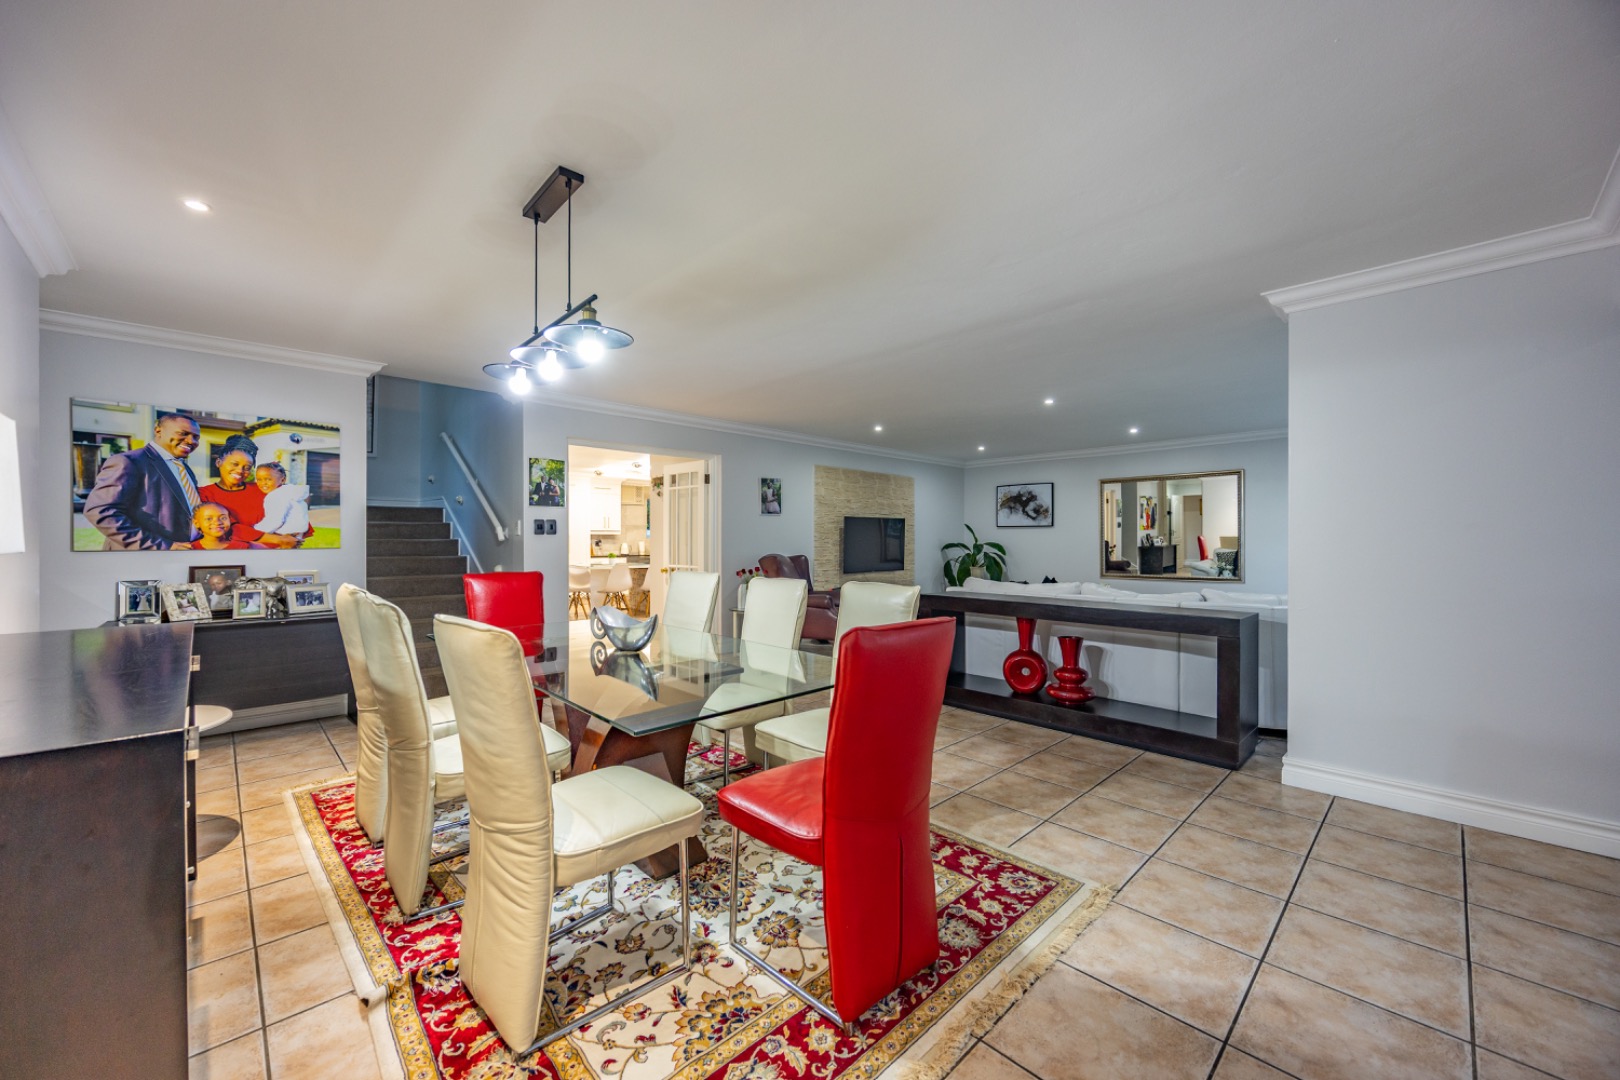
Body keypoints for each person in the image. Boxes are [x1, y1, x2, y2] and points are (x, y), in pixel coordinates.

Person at [82, 412, 204, 550]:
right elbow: (100, 510)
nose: (191, 441)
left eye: (196, 437)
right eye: (183, 433)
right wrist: (162, 546)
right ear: (158, 431)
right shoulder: (129, 461)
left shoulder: (185, 468)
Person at [197, 436, 311, 549]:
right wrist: (278, 540)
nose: (240, 471)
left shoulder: (263, 489)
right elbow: (229, 529)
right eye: (235, 464)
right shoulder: (205, 493)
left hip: (276, 552)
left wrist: (293, 536)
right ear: (218, 462)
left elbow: (294, 509)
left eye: (247, 467)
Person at [252, 463, 310, 535]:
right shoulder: (290, 492)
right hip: (297, 532)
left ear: (282, 480)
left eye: (268, 479)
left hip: (285, 534)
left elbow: (274, 521)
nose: (263, 483)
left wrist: (255, 530)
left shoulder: (276, 496)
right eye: (259, 479)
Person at [192, 502, 260, 551]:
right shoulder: (190, 548)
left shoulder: (244, 547)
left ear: (229, 520)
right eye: (209, 519)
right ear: (197, 523)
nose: (218, 522)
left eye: (223, 518)